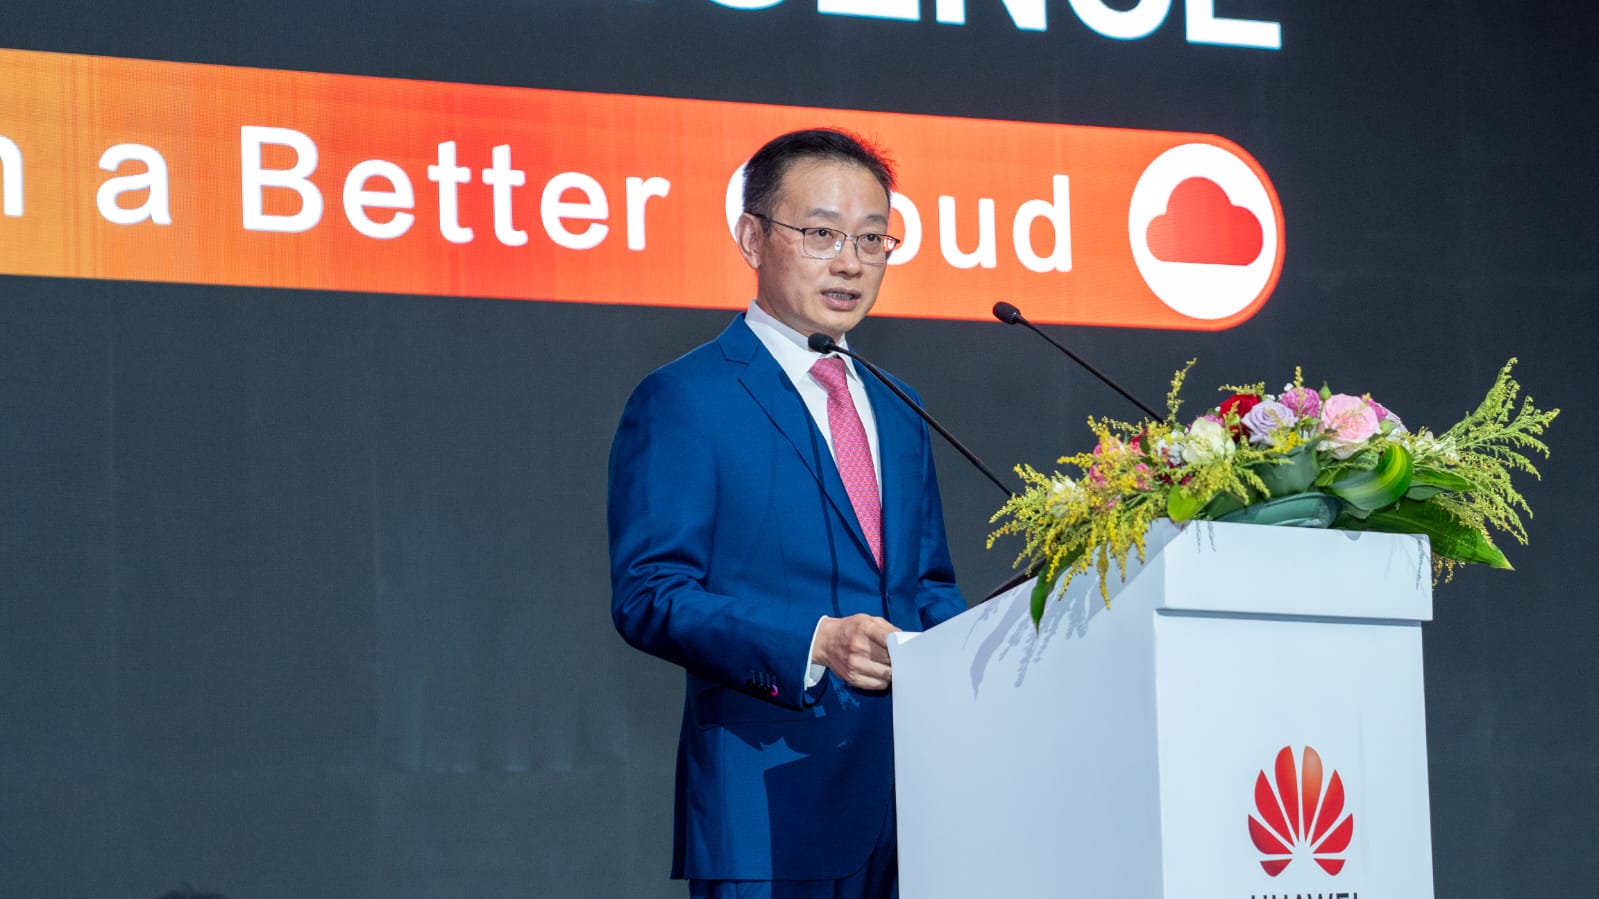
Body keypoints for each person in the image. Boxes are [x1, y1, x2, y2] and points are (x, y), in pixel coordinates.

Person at [608, 128, 967, 899]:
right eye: (821, 234)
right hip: (769, 813)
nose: (850, 263)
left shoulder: (899, 406)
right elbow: (651, 594)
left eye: (871, 239)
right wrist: (815, 641)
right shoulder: (686, 398)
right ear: (751, 237)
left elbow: (926, 584)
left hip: (915, 808)